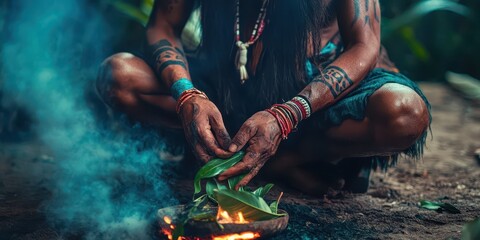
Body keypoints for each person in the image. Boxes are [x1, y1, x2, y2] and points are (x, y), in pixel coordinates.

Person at [95, 0, 431, 195]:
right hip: (224, 94)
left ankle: (281, 160)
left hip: (313, 101)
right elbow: (163, 25)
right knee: (118, 76)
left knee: (404, 114)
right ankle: (235, 151)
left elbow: (365, 44)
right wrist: (187, 95)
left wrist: (288, 114)